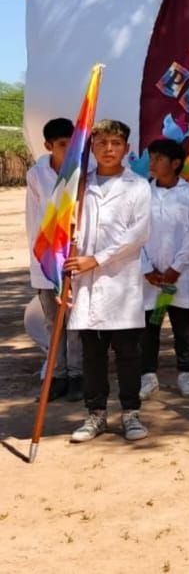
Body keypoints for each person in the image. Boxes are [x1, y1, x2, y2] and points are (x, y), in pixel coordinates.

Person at [66, 119, 152, 443]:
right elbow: (66, 232)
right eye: (101, 143)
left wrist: (97, 259)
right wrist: (68, 275)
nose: (108, 149)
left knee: (128, 353)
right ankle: (96, 415)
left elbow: (138, 235)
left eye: (115, 143)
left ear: (126, 149)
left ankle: (130, 413)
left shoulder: (138, 187)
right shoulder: (80, 188)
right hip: (86, 285)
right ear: (92, 148)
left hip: (122, 283)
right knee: (92, 355)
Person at [139, 139, 189, 401]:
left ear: (175, 163)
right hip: (151, 279)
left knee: (182, 327)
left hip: (179, 278)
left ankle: (185, 373)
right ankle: (148, 375)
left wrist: (176, 269)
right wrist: (147, 268)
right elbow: (137, 233)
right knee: (150, 326)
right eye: (151, 158)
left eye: (158, 158)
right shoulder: (144, 193)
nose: (152, 163)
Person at [25, 117, 84, 401]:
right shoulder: (37, 175)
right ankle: (56, 375)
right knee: (53, 322)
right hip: (47, 261)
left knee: (75, 320)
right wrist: (40, 261)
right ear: (48, 146)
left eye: (73, 144)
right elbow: (34, 220)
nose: (69, 149)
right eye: (62, 145)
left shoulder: (84, 171)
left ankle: (76, 374)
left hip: (74, 259)